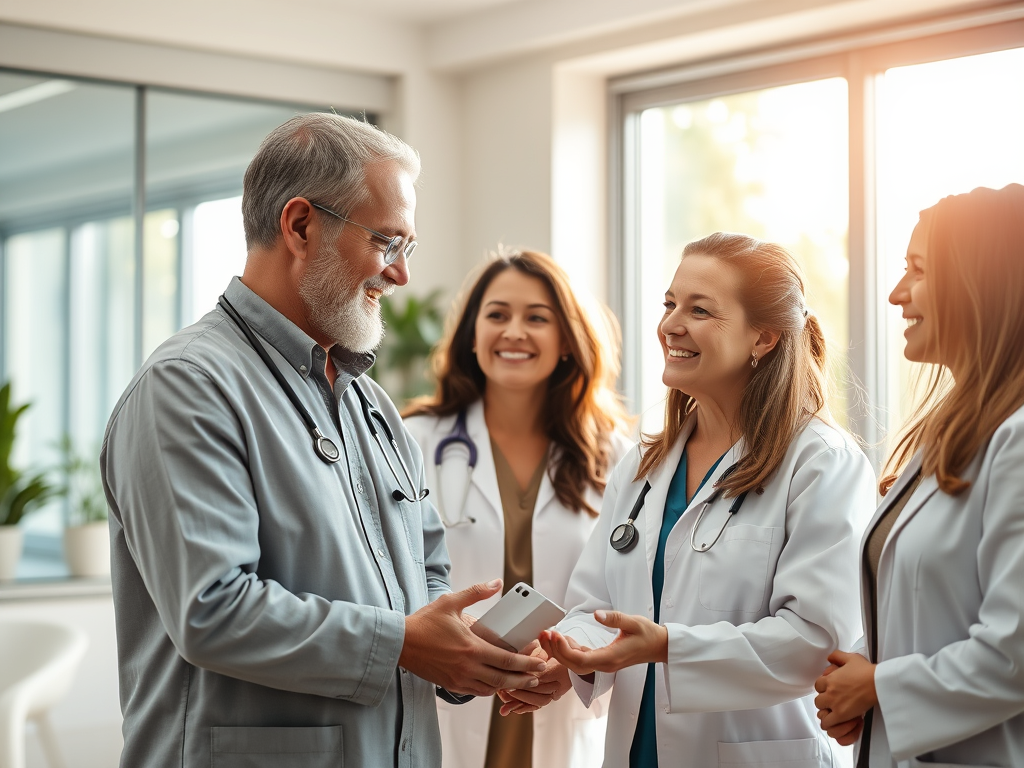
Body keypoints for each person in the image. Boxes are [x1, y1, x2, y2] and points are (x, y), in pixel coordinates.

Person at [99, 113, 546, 768]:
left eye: (407, 250)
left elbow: (424, 585)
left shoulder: (371, 406)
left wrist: (471, 652)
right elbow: (213, 611)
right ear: (301, 225)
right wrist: (402, 643)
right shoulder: (188, 388)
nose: (400, 276)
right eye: (387, 243)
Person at [534, 232, 876, 767]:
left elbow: (816, 641)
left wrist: (667, 645)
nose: (671, 324)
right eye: (670, 304)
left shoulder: (820, 463)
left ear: (763, 337)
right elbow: (593, 606)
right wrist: (568, 657)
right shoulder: (644, 465)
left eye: (700, 310)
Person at [813, 184, 1024, 767]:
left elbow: (1016, 652)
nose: (895, 293)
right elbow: (926, 607)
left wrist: (879, 685)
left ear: (983, 282)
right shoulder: (950, 432)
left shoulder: (1017, 439)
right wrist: (857, 671)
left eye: (918, 270)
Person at [403, 249, 632, 768]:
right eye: (497, 314)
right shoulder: (413, 441)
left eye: (536, 318)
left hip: (562, 711)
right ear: (472, 334)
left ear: (568, 340)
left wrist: (576, 662)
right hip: (444, 710)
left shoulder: (619, 455)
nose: (514, 332)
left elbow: (629, 592)